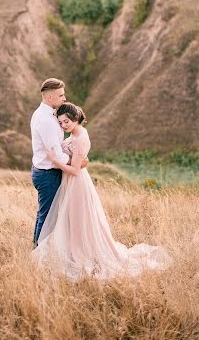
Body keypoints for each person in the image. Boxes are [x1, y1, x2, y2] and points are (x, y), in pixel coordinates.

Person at [31, 102, 172, 281]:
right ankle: (74, 251)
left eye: (66, 122)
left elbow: (74, 170)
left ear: (76, 119)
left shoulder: (80, 137)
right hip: (71, 183)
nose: (63, 126)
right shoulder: (75, 133)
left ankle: (81, 255)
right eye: (60, 123)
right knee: (73, 221)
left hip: (77, 184)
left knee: (79, 221)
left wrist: (54, 160)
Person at [30, 78, 88, 247]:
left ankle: (37, 248)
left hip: (44, 170)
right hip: (48, 174)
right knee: (48, 216)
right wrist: (77, 162)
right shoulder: (46, 120)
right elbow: (55, 153)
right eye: (61, 95)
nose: (64, 98)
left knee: (44, 214)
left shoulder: (43, 114)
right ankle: (39, 253)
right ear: (50, 98)